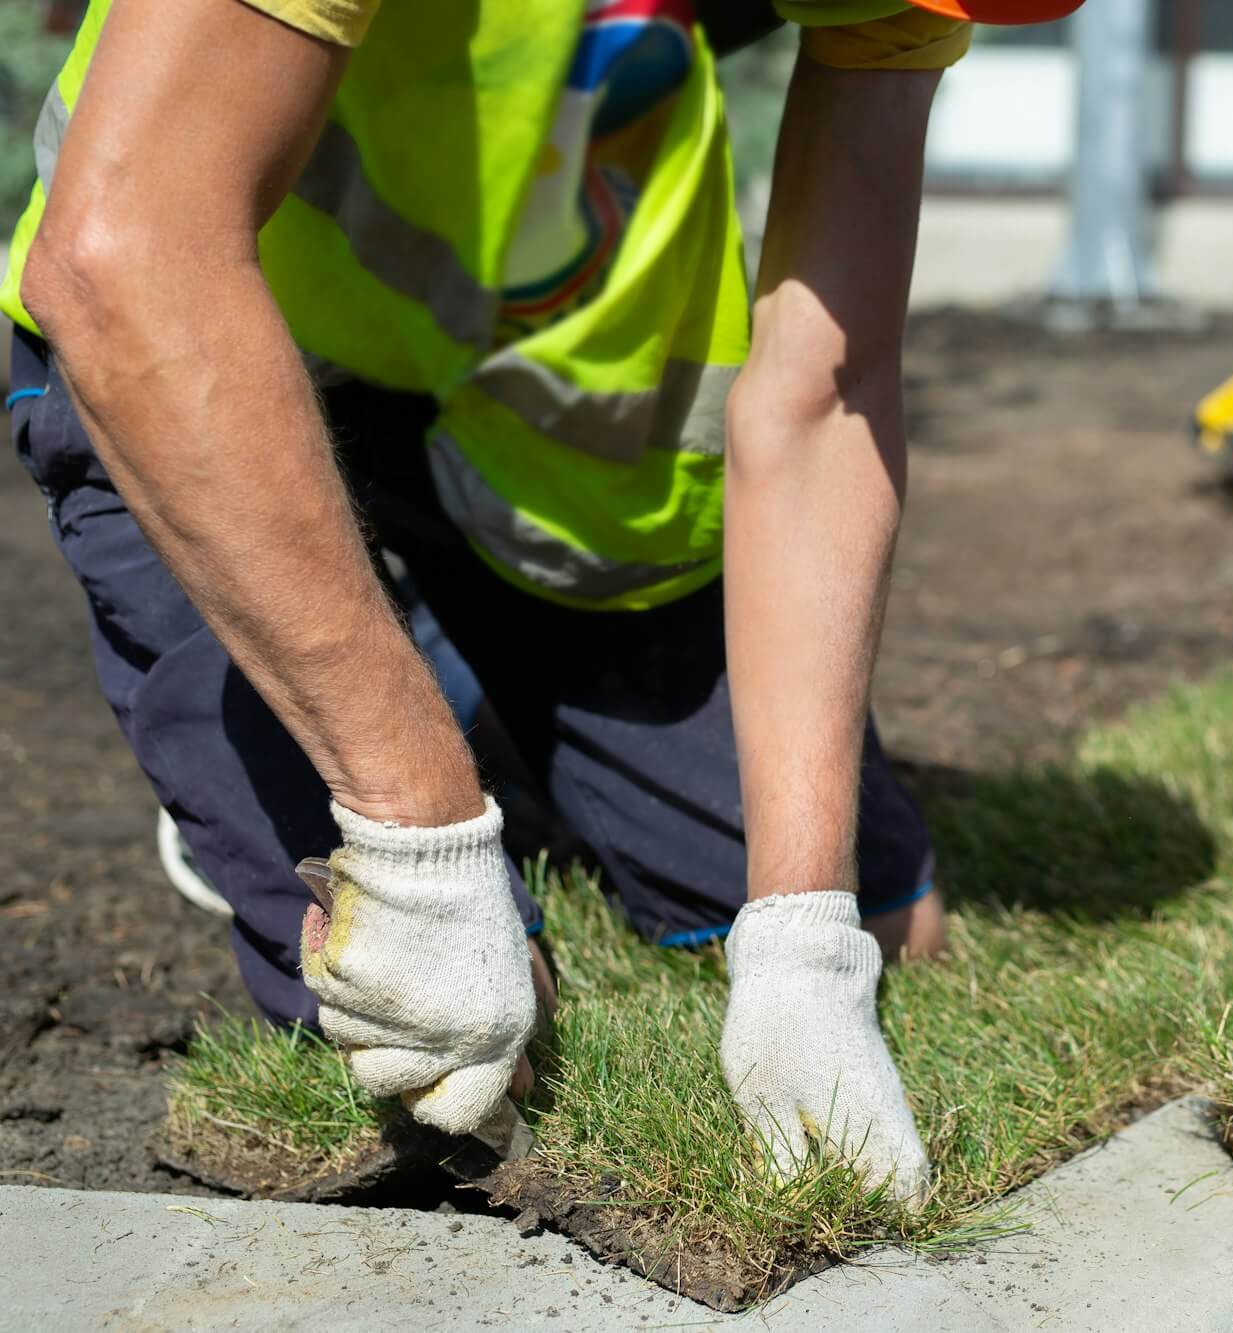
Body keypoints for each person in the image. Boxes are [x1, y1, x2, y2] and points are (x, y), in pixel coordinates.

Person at [3, 0, 1080, 1202]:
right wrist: (415, 835)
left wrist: (806, 945)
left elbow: (823, 394)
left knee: (891, 924)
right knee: (456, 1055)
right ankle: (358, 714)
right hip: (209, 364)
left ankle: (456, 699)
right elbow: (126, 256)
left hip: (533, 406)